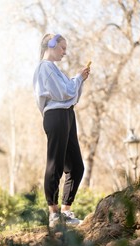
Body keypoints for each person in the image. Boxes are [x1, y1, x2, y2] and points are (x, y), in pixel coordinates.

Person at [32, 33, 90, 227]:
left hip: (67, 115)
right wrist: (78, 78)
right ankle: (53, 214)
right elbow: (64, 92)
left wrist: (79, 80)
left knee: (77, 166)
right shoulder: (45, 68)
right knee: (55, 164)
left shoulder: (53, 69)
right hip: (56, 116)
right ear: (50, 45)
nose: (65, 52)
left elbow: (70, 95)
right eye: (62, 48)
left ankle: (66, 212)